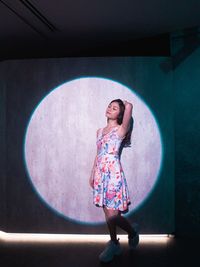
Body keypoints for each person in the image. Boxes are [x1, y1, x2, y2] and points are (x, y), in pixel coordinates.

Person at [89, 99, 139, 263]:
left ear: (120, 113)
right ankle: (114, 243)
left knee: (113, 215)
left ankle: (132, 233)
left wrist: (128, 105)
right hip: (100, 175)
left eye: (115, 107)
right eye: (109, 106)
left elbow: (129, 110)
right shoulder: (99, 131)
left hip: (113, 174)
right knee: (107, 212)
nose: (110, 108)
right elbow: (98, 153)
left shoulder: (120, 130)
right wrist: (92, 174)